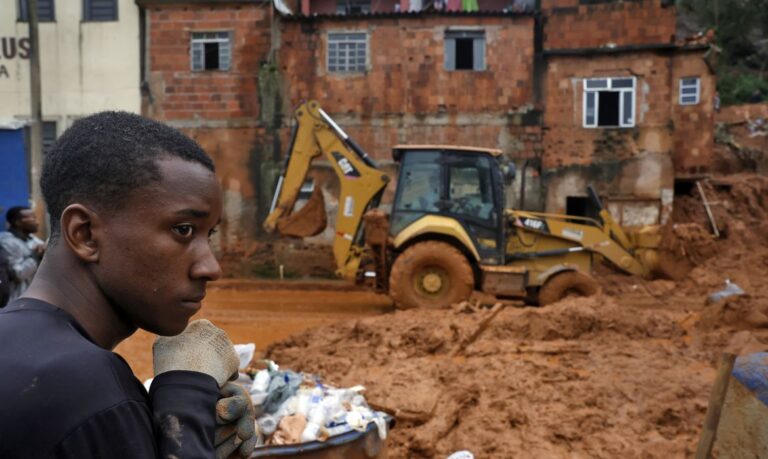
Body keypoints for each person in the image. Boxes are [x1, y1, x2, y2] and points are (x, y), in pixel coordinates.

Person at [0, 112, 257, 458]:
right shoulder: (90, 389)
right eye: (183, 230)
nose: (211, 268)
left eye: (208, 235)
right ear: (85, 234)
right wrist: (186, 403)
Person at [0, 206, 46, 301]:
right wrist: (35, 256)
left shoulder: (34, 240)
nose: (37, 222)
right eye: (32, 218)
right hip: (15, 301)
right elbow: (18, 274)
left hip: (36, 298)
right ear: (18, 222)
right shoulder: (6, 242)